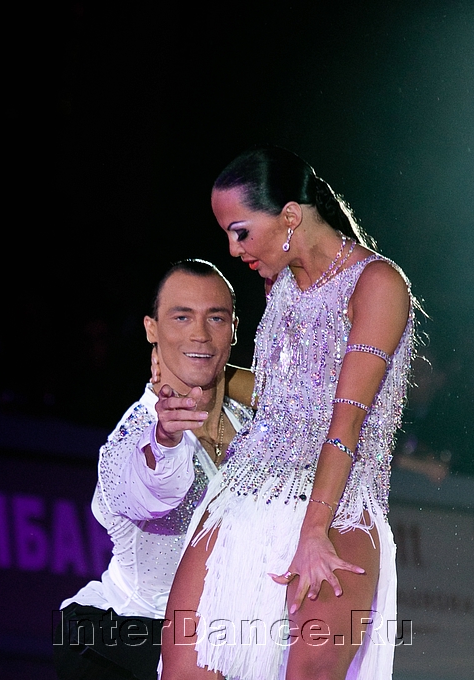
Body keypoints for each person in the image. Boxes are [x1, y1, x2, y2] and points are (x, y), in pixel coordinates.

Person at [160, 146, 418, 680]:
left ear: (290, 216)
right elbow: (285, 396)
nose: (233, 249)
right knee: (186, 667)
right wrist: (204, 374)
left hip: (340, 503)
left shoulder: (377, 284)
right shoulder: (279, 282)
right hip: (250, 489)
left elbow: (344, 422)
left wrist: (313, 531)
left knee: (310, 672)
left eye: (240, 232)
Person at [53, 259, 254, 680]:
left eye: (215, 318)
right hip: (128, 642)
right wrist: (165, 440)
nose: (200, 334)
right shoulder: (135, 434)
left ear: (234, 328)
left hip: (228, 642)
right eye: (182, 317)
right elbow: (151, 484)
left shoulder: (253, 426)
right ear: (151, 329)